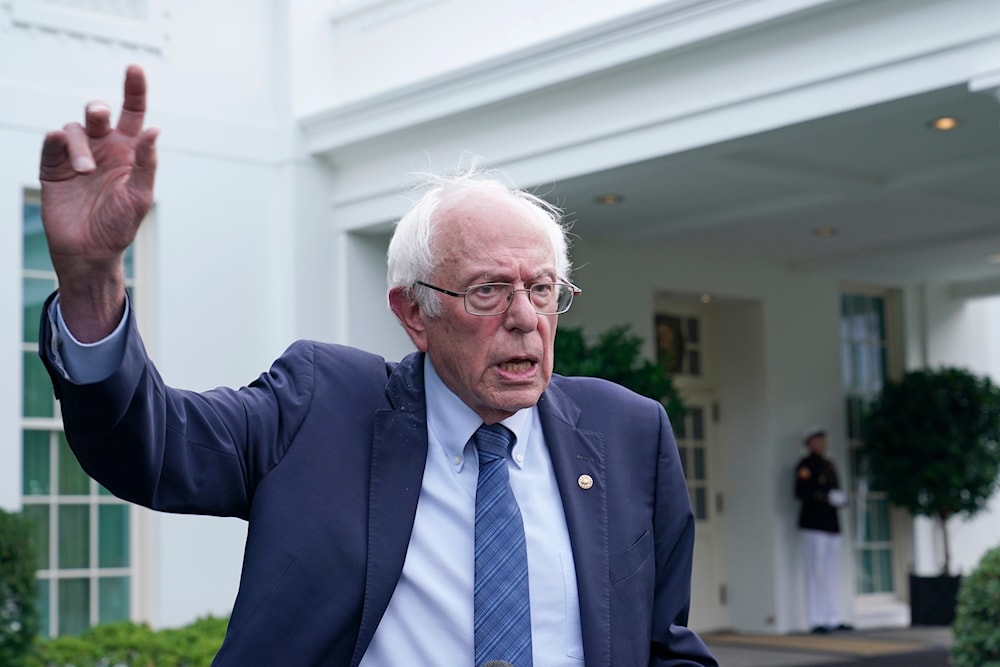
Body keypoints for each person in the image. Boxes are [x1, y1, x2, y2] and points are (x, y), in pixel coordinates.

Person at [36, 64, 718, 667]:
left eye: (542, 289)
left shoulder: (630, 433)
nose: (524, 317)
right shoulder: (319, 408)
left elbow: (666, 642)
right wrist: (93, 280)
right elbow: (148, 445)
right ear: (414, 313)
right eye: (488, 290)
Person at [794, 425, 852, 635]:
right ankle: (815, 618)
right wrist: (826, 497)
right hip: (813, 524)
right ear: (809, 443)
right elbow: (801, 492)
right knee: (815, 571)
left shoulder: (829, 464)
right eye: (817, 440)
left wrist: (840, 498)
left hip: (830, 524)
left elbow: (835, 490)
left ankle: (832, 616)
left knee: (830, 571)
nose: (821, 443)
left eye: (822, 439)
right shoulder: (805, 465)